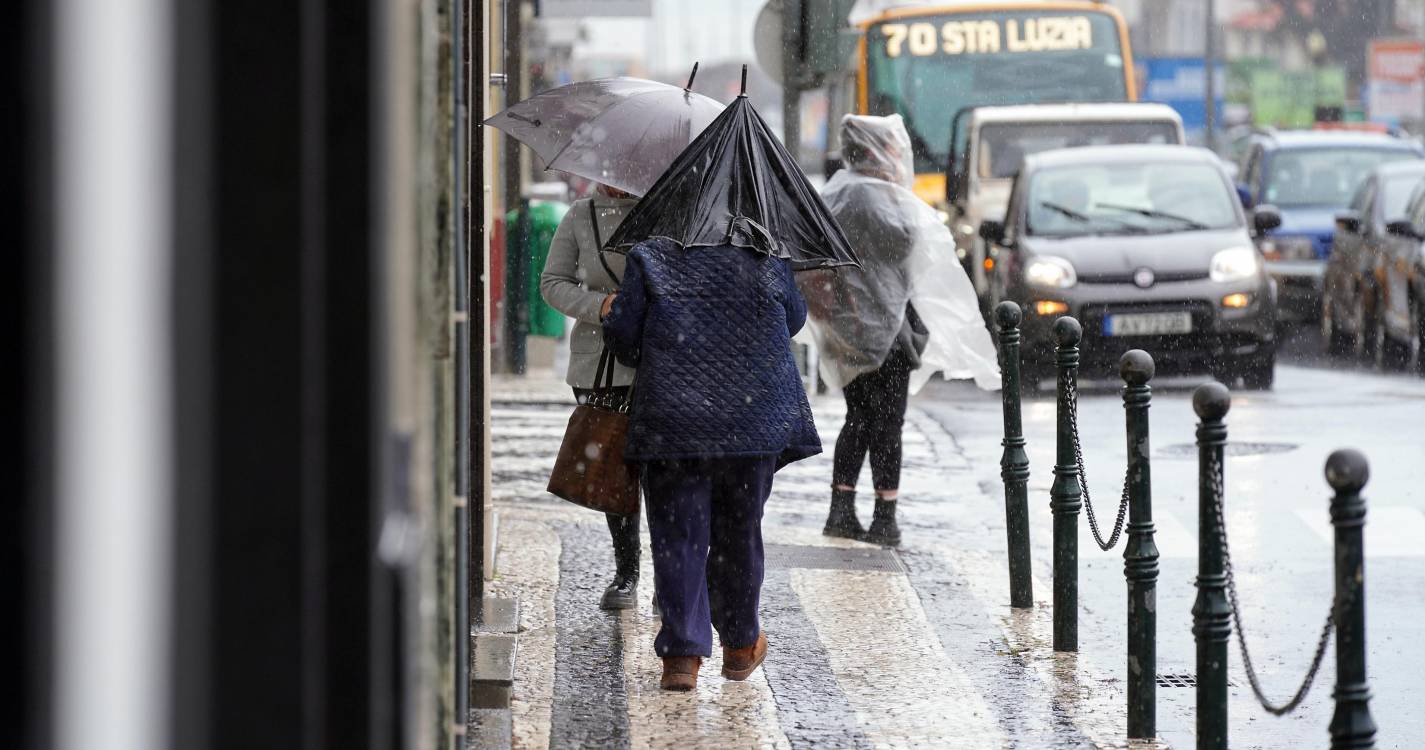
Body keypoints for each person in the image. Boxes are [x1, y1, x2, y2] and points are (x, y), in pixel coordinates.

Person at [602, 237, 820, 692]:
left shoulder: (651, 254)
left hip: (674, 423)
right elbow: (794, 320)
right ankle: (740, 645)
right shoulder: (766, 252)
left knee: (678, 535)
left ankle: (682, 657)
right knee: (739, 531)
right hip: (752, 418)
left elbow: (624, 338)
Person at [804, 113, 999, 547]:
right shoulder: (878, 198)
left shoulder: (834, 194)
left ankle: (840, 509)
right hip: (887, 330)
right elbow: (908, 244)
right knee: (888, 423)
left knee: (857, 418)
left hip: (847, 328)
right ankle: (884, 516)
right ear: (879, 151)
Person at [539, 182, 643, 610]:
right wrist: (599, 306)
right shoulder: (581, 214)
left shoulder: (664, 208)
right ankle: (627, 571)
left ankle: (674, 581)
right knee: (613, 464)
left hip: (658, 356)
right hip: (600, 360)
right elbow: (552, 282)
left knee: (666, 470)